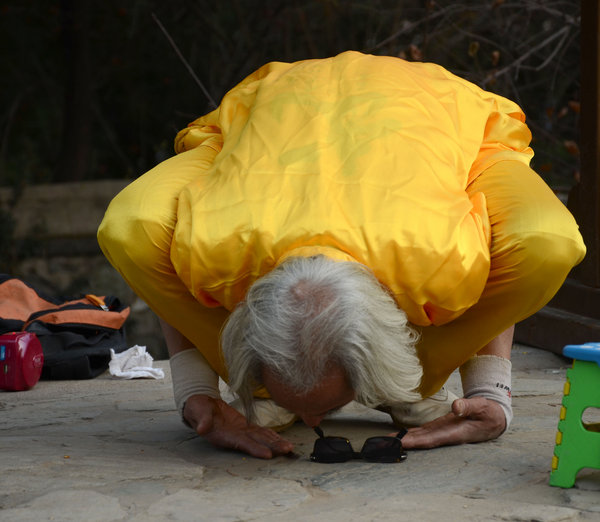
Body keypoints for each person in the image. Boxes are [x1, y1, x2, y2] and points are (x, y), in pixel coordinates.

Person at [98, 51, 586, 459]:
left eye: (322, 406)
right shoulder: (213, 248)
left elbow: (534, 245)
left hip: (442, 110)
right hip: (277, 105)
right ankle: (303, 389)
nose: (313, 424)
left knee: (546, 241)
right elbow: (135, 233)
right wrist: (196, 391)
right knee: (128, 227)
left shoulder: (437, 261)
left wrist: (489, 391)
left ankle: (407, 387)